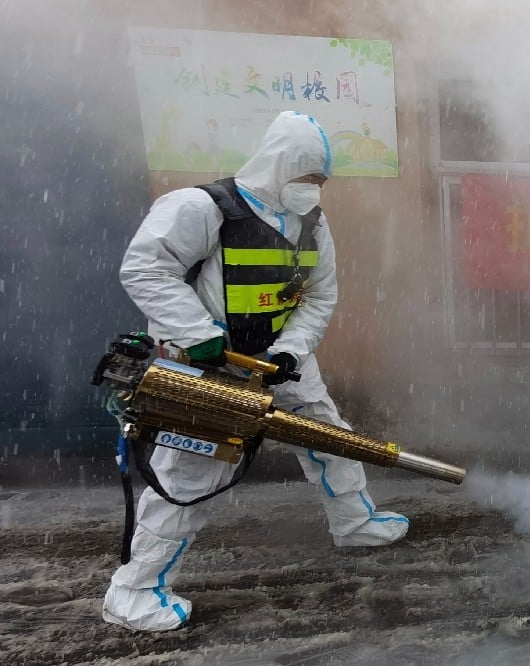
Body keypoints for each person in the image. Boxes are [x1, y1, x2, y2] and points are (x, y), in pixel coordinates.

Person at [102, 111, 408, 632]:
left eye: (320, 180)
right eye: (306, 176)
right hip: (210, 367)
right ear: (277, 163)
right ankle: (134, 591)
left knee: (329, 436)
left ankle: (354, 522)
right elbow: (146, 268)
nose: (313, 188)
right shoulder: (203, 209)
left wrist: (290, 351)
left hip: (278, 362)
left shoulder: (312, 224)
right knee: (190, 476)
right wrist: (197, 334)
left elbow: (318, 296)